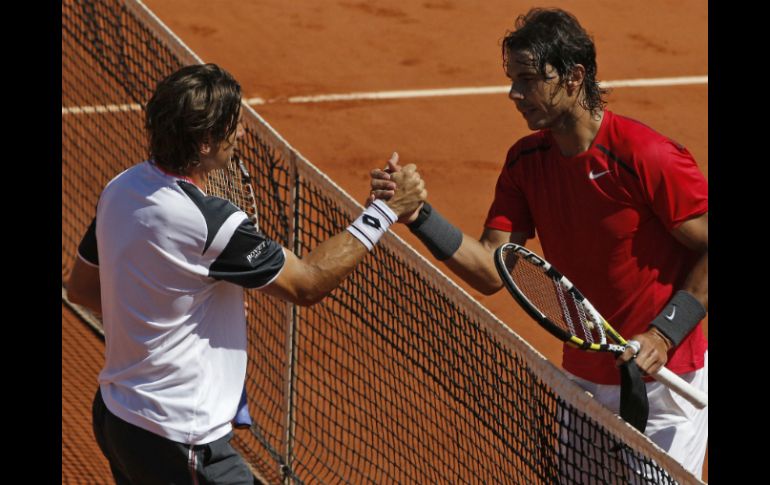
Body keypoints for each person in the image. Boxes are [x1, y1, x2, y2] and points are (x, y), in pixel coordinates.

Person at [370, 8, 707, 479]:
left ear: (574, 77)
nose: (514, 94)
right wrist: (418, 216)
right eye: (512, 79)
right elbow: (492, 268)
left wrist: (663, 334)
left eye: (527, 80)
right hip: (583, 382)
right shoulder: (525, 163)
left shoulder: (645, 156)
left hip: (664, 386)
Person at [66, 63, 427, 485]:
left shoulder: (120, 189)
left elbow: (82, 289)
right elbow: (307, 283)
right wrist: (383, 212)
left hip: (118, 419)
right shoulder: (209, 221)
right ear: (204, 142)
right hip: (183, 443)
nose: (242, 135)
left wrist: (162, 329)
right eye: (234, 126)